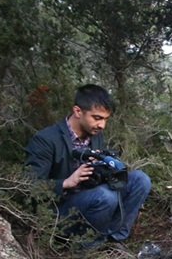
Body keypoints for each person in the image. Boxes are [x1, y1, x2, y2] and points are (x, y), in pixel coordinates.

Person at [25, 84, 151, 244]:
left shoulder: (95, 135)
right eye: (97, 118)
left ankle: (114, 239)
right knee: (106, 196)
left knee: (140, 180)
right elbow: (29, 186)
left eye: (105, 119)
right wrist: (66, 182)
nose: (102, 125)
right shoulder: (46, 139)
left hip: (91, 198)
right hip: (60, 210)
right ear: (78, 111)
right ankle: (85, 248)